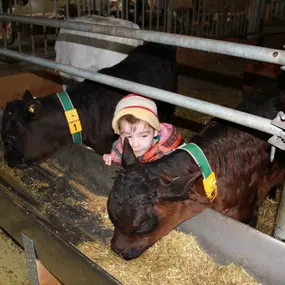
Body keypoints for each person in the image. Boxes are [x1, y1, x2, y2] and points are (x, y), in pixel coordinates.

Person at [103, 94, 183, 165]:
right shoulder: (119, 148)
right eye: (128, 137)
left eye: (143, 136)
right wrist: (113, 159)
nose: (135, 144)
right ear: (119, 133)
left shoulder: (169, 150)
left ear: (155, 131)